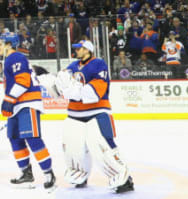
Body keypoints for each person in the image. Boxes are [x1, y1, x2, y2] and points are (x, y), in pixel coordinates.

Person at [55, 40, 134, 193]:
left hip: (97, 111)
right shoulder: (73, 66)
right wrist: (58, 86)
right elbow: (63, 87)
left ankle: (123, 177)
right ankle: (79, 174)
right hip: (74, 113)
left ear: (88, 50)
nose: (77, 51)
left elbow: (95, 91)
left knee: (103, 145)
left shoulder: (98, 64)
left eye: (80, 48)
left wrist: (74, 90)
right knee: (73, 146)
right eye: (77, 49)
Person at [0, 32, 56, 191]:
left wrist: (9, 99)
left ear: (9, 44)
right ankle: (26, 173)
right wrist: (11, 100)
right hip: (18, 104)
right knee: (14, 137)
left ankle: (48, 173)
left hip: (27, 103)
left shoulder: (15, 57)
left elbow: (23, 81)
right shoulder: (9, 59)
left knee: (32, 137)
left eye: (1, 43)